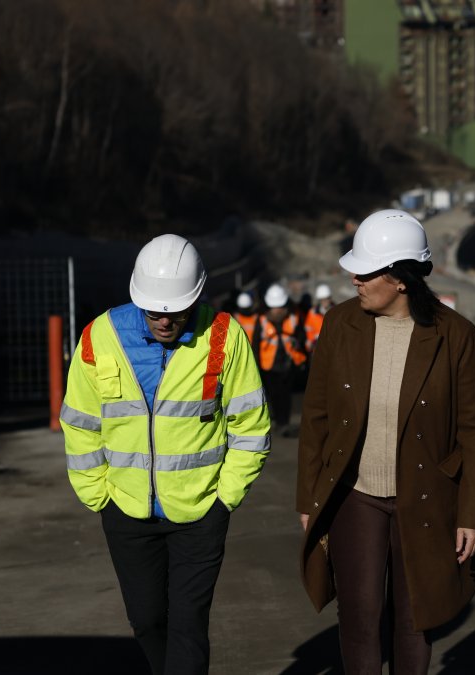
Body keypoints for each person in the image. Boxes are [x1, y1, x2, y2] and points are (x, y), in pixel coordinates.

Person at [296, 209, 475, 675]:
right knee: (360, 616)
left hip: (427, 496)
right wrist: (309, 498)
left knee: (414, 619)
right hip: (355, 495)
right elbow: (316, 416)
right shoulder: (339, 324)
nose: (355, 280)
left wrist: (471, 514)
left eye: (366, 273)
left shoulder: (455, 335)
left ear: (401, 279)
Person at [59, 234, 271, 675]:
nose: (165, 320)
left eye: (175, 310)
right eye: (154, 310)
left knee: (188, 625)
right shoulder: (99, 338)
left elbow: (250, 425)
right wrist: (98, 495)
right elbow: (80, 423)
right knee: (147, 621)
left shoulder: (224, 337)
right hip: (126, 510)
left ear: (195, 297)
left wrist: (225, 498)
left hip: (201, 511)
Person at [255, 283, 307, 434]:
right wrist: (256, 365)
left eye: (280, 307)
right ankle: (278, 421)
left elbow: (301, 336)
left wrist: (299, 345)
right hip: (268, 366)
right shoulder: (262, 319)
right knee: (273, 395)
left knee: (285, 394)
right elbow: (256, 344)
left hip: (288, 363)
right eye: (275, 307)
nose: (278, 311)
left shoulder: (294, 317)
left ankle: (284, 422)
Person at [303, 283, 334, 353]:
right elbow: (308, 329)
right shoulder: (312, 313)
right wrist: (311, 341)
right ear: (319, 300)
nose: (324, 301)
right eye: (322, 299)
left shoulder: (338, 311)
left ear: (330, 298)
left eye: (326, 299)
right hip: (317, 345)